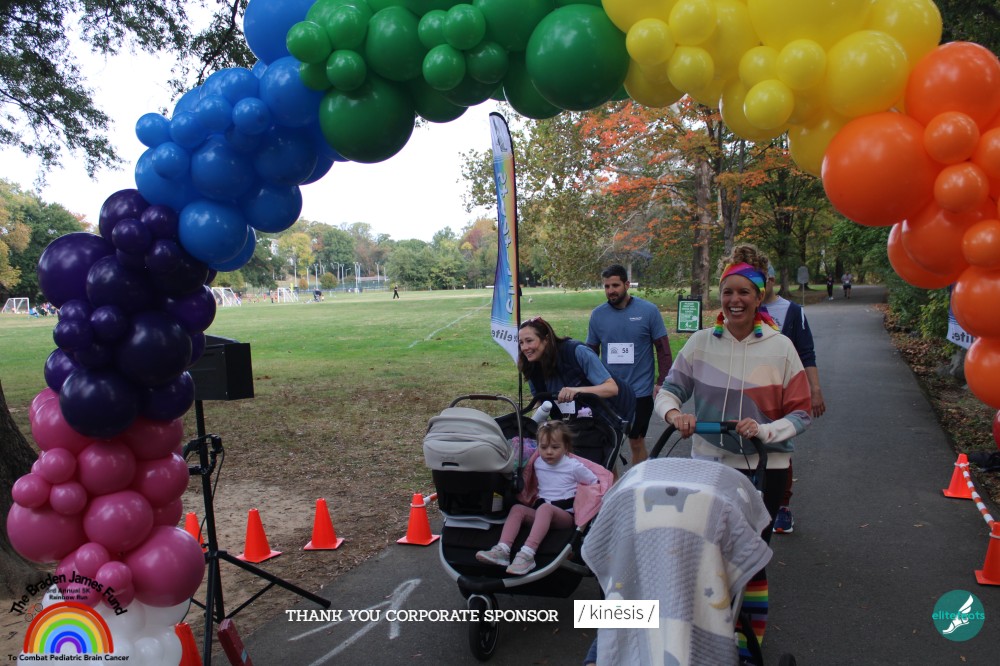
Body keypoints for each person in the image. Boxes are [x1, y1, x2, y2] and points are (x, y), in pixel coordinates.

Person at [653, 244, 812, 659]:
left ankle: (747, 638)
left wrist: (765, 430)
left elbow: (802, 412)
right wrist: (675, 415)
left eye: (744, 292)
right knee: (706, 549)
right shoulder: (701, 344)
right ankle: (704, 625)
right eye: (727, 292)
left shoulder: (781, 348)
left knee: (750, 553)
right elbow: (668, 391)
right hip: (709, 463)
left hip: (766, 465)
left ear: (759, 298)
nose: (734, 300)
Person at [475, 421, 603, 575]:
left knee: (545, 508)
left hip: (564, 516)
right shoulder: (537, 463)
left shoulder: (573, 466)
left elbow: (594, 482)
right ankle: (503, 549)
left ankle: (527, 554)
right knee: (517, 509)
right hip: (542, 512)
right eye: (543, 447)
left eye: (555, 447)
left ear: (566, 447)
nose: (549, 452)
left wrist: (584, 502)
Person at [763, 264, 827, 534]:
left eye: (761, 279)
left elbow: (806, 352)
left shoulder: (792, 311)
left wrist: (815, 389)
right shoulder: (745, 307)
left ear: (772, 279)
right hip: (751, 389)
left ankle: (782, 506)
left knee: (779, 446)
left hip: (784, 391)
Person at [586, 264, 672, 465]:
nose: (610, 291)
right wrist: (589, 385)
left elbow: (663, 349)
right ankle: (612, 483)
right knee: (608, 443)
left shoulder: (648, 311)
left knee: (636, 441)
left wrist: (662, 382)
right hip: (609, 390)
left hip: (639, 392)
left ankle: (639, 481)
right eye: (606, 286)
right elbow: (590, 353)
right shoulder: (598, 315)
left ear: (626, 284)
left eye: (615, 285)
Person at [518, 317, 635, 426]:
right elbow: (540, 402)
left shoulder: (576, 351)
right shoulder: (531, 367)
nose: (524, 348)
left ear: (546, 339)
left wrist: (575, 391)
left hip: (615, 413)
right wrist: (531, 427)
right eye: (521, 343)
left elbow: (612, 388)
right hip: (578, 424)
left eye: (529, 341)